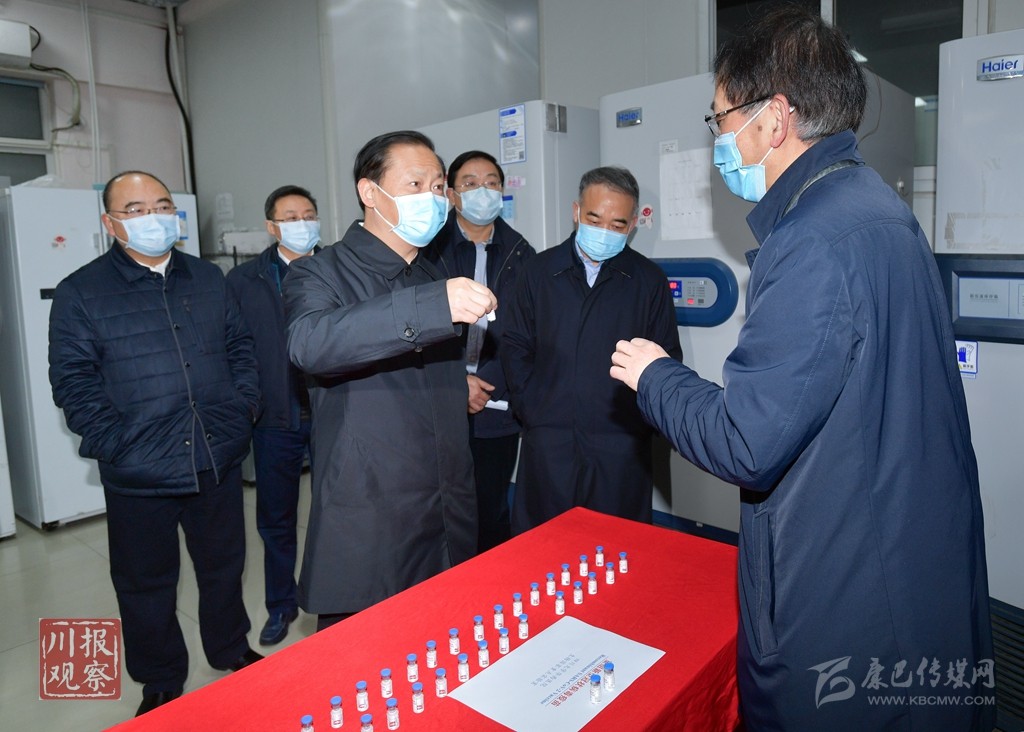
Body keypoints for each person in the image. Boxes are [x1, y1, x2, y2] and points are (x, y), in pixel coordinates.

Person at [610, 7, 994, 730]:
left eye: (720, 119)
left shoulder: (812, 238)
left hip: (843, 598)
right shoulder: (878, 210)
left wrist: (656, 376)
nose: (719, 139)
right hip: (905, 564)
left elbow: (746, 441)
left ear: (774, 119)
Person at [48, 171, 264, 717]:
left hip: (214, 454)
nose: (154, 217)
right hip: (139, 471)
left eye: (162, 206)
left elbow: (240, 348)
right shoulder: (81, 291)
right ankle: (161, 677)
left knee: (223, 566)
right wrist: (115, 444)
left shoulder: (208, 277)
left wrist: (242, 410)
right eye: (137, 209)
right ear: (110, 223)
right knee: (145, 584)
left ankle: (229, 647)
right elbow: (73, 380)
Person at [282, 131, 496, 630]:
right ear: (370, 192)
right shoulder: (320, 273)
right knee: (367, 658)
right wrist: (431, 307)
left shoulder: (432, 273)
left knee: (444, 645)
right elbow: (310, 344)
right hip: (372, 507)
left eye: (438, 186)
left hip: (445, 502)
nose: (431, 198)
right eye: (415, 184)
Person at [501, 166, 682, 534]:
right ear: (576, 211)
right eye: (594, 219)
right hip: (549, 437)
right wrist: (532, 408)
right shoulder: (538, 272)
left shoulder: (648, 281)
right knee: (544, 543)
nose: (603, 231)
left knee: (616, 545)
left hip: (620, 442)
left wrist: (638, 423)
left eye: (617, 224)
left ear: (633, 224)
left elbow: (666, 359)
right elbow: (515, 345)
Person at [425, 150, 536, 551]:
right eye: (470, 183)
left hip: (496, 400)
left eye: (491, 183)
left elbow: (527, 335)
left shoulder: (522, 253)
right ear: (452, 194)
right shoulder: (428, 251)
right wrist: (457, 381)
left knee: (491, 508)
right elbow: (414, 326)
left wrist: (489, 383)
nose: (482, 191)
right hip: (438, 397)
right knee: (440, 509)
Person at [226, 185, 319, 646]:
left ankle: (331, 596)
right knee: (276, 519)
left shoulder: (339, 267)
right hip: (274, 418)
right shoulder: (244, 281)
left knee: (336, 510)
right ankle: (280, 605)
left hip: (332, 410)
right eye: (290, 217)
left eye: (308, 215)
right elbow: (232, 348)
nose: (302, 224)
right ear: (271, 226)